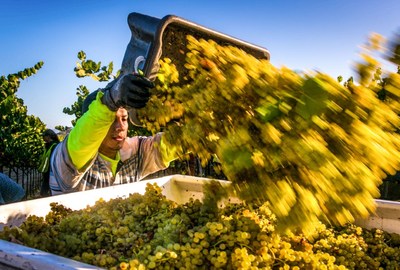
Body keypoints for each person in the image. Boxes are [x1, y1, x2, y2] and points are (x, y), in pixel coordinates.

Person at [49, 74, 178, 195]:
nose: (120, 127)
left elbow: (177, 143)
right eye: (111, 120)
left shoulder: (134, 152)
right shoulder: (72, 155)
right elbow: (85, 135)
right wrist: (109, 100)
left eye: (124, 119)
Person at [38, 129, 60, 197]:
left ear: (48, 136)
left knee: (45, 194)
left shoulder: (55, 146)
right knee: (45, 193)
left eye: (44, 136)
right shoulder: (48, 146)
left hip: (51, 174)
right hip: (46, 174)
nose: (43, 138)